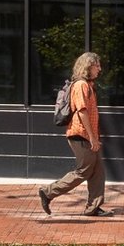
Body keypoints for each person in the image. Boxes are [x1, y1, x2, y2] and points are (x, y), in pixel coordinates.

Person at [40, 51, 109, 217]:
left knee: (98, 171)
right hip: (81, 135)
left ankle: (93, 207)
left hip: (89, 135)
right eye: (96, 65)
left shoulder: (89, 85)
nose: (99, 69)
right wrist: (93, 138)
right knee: (84, 171)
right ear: (88, 66)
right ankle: (48, 192)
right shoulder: (81, 85)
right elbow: (82, 112)